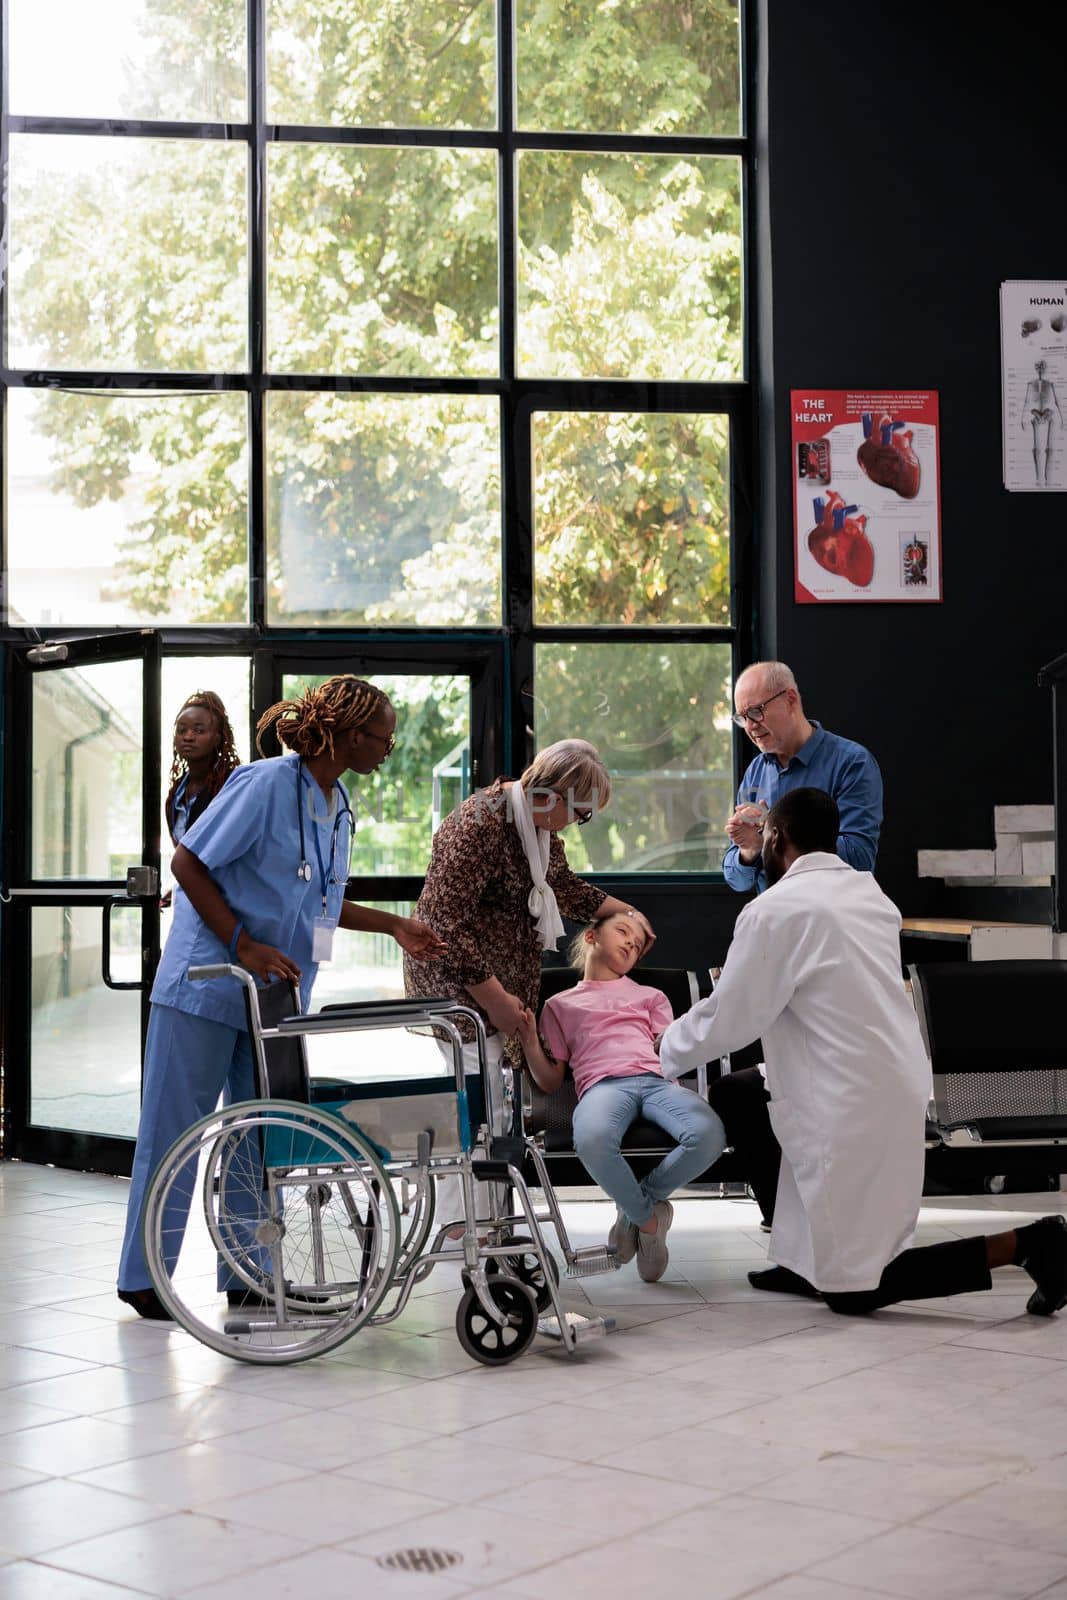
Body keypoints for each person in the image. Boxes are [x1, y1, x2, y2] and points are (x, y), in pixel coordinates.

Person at [660, 787, 1067, 1317]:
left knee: (858, 1291)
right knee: (739, 1094)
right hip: (887, 1072)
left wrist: (661, 1050)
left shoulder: (775, 910)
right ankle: (800, 1261)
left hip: (845, 1094)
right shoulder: (869, 894)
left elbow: (732, 1015)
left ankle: (1032, 1244)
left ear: (776, 836)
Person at [117, 675, 446, 1320]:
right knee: (173, 1131)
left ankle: (248, 1272)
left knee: (258, 1136)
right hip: (205, 987)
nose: (388, 749)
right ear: (352, 735)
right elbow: (188, 865)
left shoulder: (335, 801)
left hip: (274, 998)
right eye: (383, 737)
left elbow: (317, 898)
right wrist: (241, 942)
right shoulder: (264, 784)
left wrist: (394, 925)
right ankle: (142, 1276)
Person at [404, 739, 654, 1231]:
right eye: (580, 814)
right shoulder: (478, 826)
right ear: (553, 796)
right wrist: (493, 999)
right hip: (457, 987)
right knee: (475, 1107)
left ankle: (492, 1217)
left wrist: (622, 912)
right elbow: (443, 926)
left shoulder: (535, 831)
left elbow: (563, 885)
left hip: (500, 980)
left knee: (496, 1109)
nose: (577, 826)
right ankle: (463, 1227)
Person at [516, 911, 726, 1282]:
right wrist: (531, 1042)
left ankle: (633, 1212)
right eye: (623, 932)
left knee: (709, 1134)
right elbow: (550, 1082)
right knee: (593, 1139)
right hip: (602, 1087)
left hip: (658, 1082)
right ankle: (649, 1223)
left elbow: (671, 1049)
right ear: (592, 937)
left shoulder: (651, 997)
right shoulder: (560, 1005)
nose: (632, 942)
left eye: (638, 943)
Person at [723, 660, 882, 894]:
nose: (750, 726)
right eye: (742, 717)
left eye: (756, 712)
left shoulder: (852, 763)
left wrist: (774, 835)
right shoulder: (756, 770)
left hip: (832, 921)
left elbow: (859, 859)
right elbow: (737, 880)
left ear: (790, 699)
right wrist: (750, 851)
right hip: (773, 921)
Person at [165, 691, 241, 846]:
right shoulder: (175, 795)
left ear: (217, 739)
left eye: (199, 730)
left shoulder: (231, 785)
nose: (188, 737)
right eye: (181, 730)